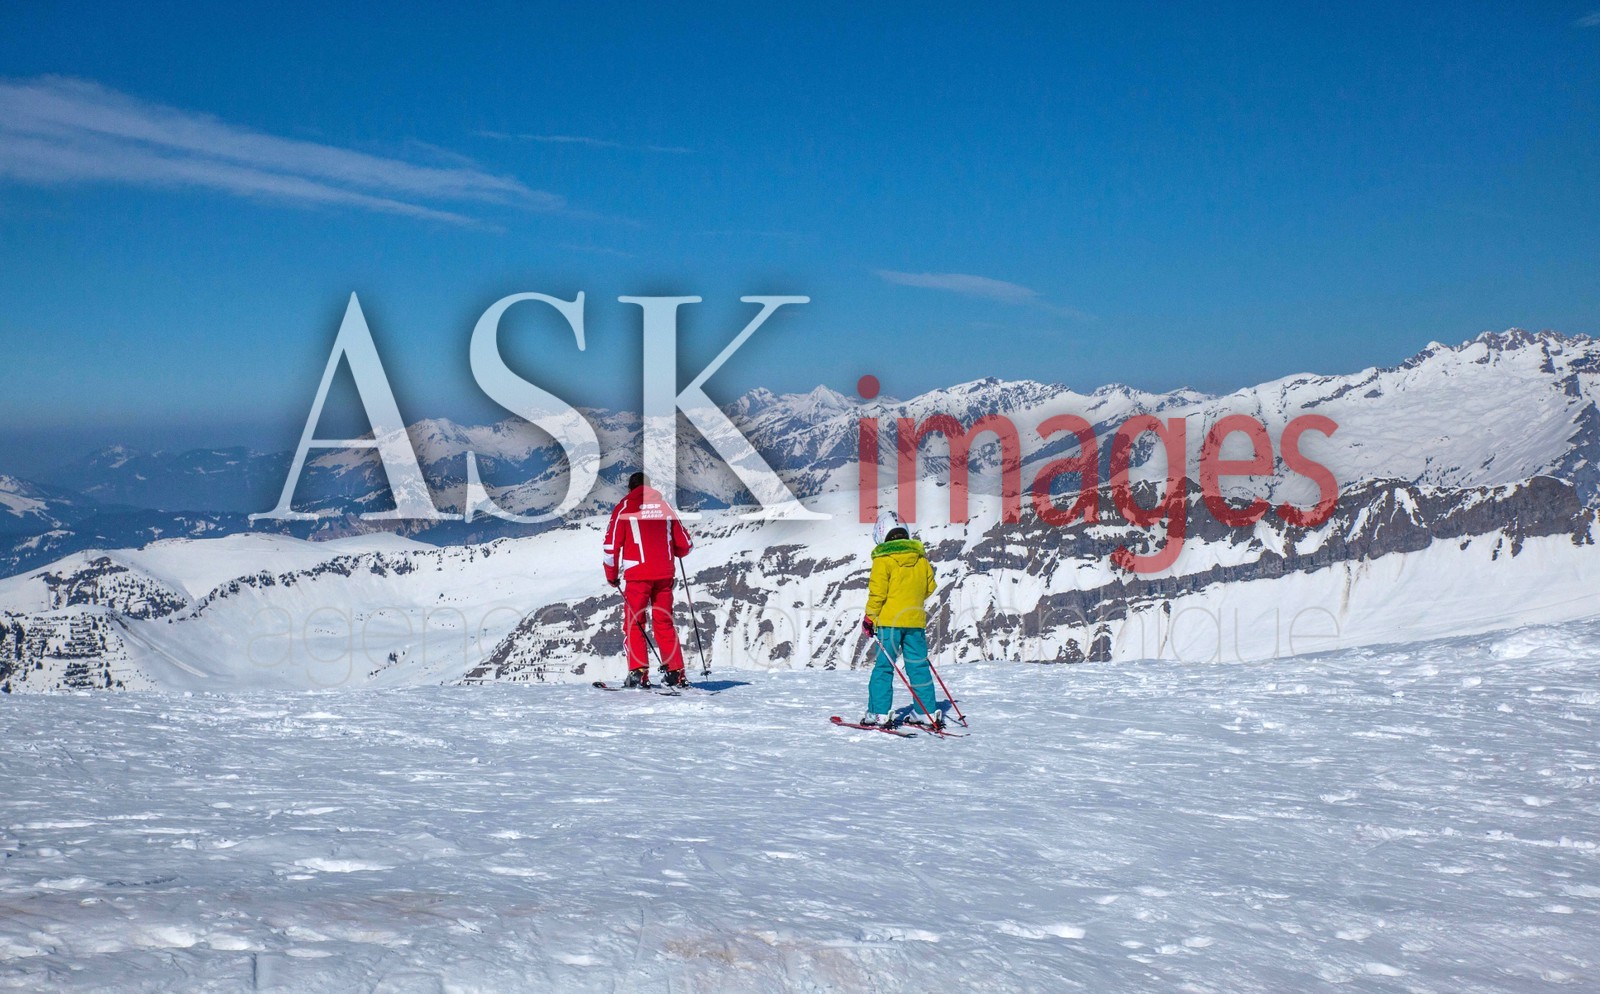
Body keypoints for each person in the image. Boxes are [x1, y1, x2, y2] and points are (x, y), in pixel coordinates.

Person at [603, 471, 694, 688]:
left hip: (637, 576)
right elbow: (685, 544)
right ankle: (675, 672)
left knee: (635, 622)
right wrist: (675, 551)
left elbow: (611, 546)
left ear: (630, 489)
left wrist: (612, 575)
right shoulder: (665, 507)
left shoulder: (624, 508)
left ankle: (638, 672)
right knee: (664, 622)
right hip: (664, 575)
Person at [860, 511, 941, 727]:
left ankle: (878, 713)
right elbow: (929, 587)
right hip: (915, 622)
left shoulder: (883, 560)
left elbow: (877, 594)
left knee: (884, 668)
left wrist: (870, 618)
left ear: (881, 534)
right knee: (918, 666)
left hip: (889, 624)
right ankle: (926, 712)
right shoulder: (920, 560)